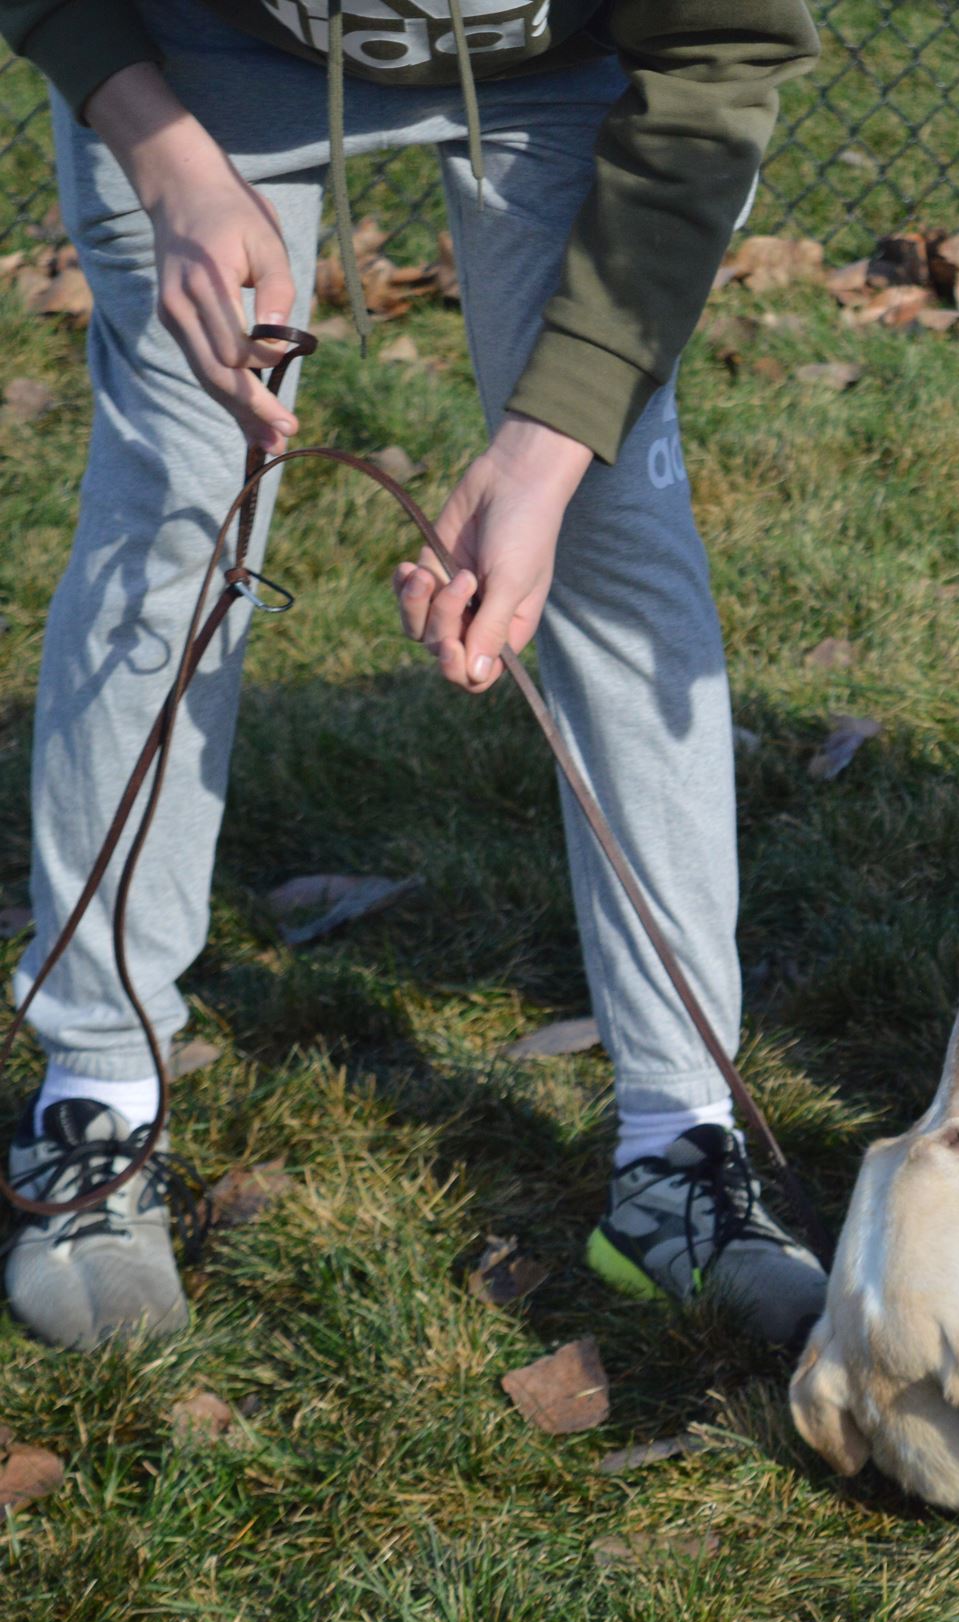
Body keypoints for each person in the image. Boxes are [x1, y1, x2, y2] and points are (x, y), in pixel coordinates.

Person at [1, 0, 828, 1351]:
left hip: (565, 69)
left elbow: (722, 55)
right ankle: (97, 1092)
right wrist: (168, 159)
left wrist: (552, 443)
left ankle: (683, 1150)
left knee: (611, 517)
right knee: (176, 512)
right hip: (201, 54)